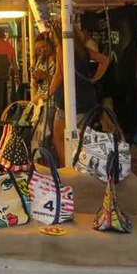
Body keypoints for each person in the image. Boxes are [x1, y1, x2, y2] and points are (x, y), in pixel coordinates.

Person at [49, 23, 110, 166]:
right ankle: (81, 167)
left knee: (59, 138)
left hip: (68, 101)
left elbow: (59, 75)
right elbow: (104, 60)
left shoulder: (61, 50)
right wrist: (94, 78)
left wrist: (48, 93)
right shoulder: (83, 50)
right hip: (87, 100)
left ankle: (67, 169)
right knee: (81, 139)